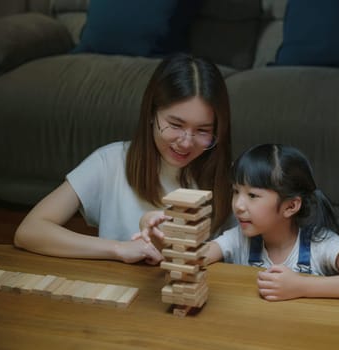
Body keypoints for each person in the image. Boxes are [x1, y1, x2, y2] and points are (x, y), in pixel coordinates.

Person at [14, 53, 233, 265]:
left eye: (203, 130)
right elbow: (30, 231)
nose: (186, 142)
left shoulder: (230, 179)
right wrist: (117, 248)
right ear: (150, 113)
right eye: (175, 125)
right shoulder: (110, 162)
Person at [205, 143, 339, 301]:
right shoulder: (238, 238)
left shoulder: (320, 244)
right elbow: (192, 258)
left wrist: (303, 286)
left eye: (252, 195)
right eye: (236, 191)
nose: (238, 205)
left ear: (290, 206)